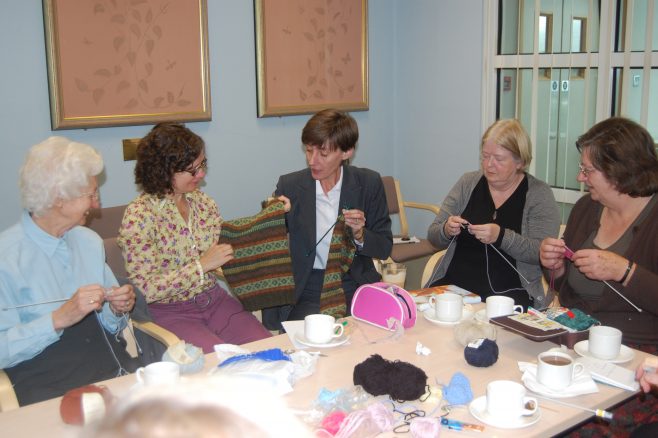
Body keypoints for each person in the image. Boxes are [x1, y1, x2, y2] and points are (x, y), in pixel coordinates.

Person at [0, 137, 136, 406]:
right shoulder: (7, 259)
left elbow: (112, 325)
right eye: (91, 194)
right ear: (59, 198)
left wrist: (119, 308)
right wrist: (58, 319)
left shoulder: (88, 241)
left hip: (113, 374)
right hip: (49, 389)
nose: (97, 204)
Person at [117, 123, 272, 353]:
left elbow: (221, 256)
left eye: (203, 165)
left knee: (267, 347)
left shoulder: (204, 203)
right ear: (165, 170)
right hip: (171, 312)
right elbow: (145, 289)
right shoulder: (139, 216)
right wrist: (200, 267)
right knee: (221, 364)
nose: (201, 174)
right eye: (193, 170)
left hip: (215, 301)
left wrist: (270, 220)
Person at [262, 109, 392, 330]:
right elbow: (268, 243)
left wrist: (360, 235)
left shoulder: (368, 183)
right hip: (308, 284)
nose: (312, 161)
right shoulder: (291, 186)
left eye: (322, 154)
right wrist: (272, 216)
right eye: (308, 151)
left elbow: (384, 247)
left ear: (347, 151)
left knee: (372, 336)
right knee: (310, 341)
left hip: (353, 281)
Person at [539, 117, 658, 347]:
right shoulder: (587, 207)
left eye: (588, 170)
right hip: (573, 338)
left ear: (621, 171)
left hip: (635, 351)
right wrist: (556, 266)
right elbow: (564, 290)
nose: (580, 178)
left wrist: (625, 271)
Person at [426, 119, 560, 310]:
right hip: (455, 285)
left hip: (509, 291)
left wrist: (501, 236)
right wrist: (446, 229)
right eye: (485, 156)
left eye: (498, 158)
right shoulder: (468, 183)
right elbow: (433, 235)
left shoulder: (538, 194)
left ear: (520, 161)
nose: (489, 164)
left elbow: (540, 252)